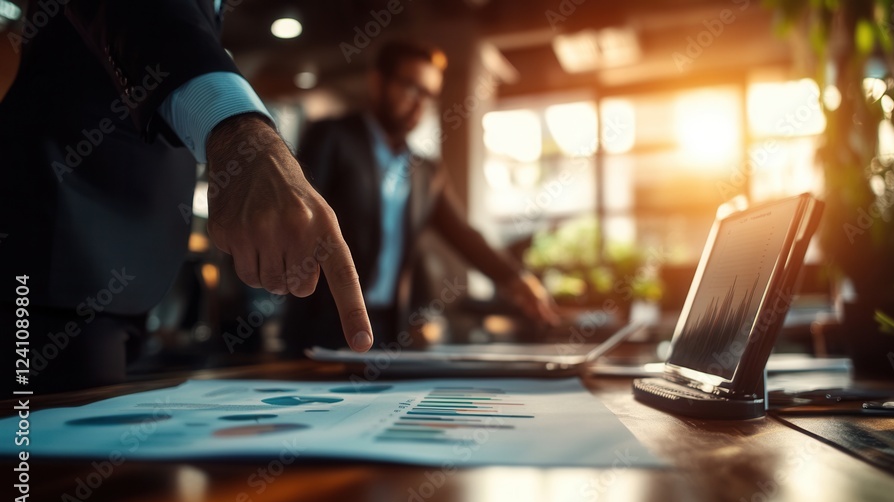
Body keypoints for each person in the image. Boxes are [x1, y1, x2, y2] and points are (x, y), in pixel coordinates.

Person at [0, 0, 372, 394]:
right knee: (33, 450)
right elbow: (143, 17)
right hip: (54, 251)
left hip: (141, 276)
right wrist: (243, 136)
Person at [282, 40, 559, 352]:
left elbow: (464, 235)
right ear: (377, 82)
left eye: (428, 94)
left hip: (387, 327)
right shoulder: (332, 137)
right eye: (411, 87)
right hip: (320, 322)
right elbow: (298, 214)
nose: (419, 103)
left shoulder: (426, 171)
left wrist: (516, 278)